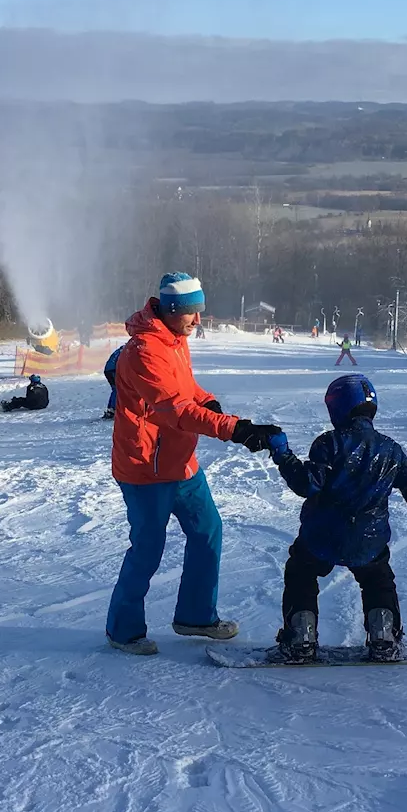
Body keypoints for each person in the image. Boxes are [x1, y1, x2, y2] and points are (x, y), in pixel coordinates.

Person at [107, 272, 284, 655]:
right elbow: (174, 409)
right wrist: (233, 429)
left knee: (207, 532)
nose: (197, 320)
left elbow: (186, 390)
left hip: (181, 461)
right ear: (171, 310)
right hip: (146, 468)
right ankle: (123, 629)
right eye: (190, 312)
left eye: (198, 311)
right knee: (148, 549)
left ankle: (195, 615)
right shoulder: (143, 352)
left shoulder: (174, 340)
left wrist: (208, 400)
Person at [265, 374, 407, 662]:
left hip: (321, 537)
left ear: (336, 409)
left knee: (301, 573)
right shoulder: (390, 449)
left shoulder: (328, 444)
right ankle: (384, 636)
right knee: (377, 580)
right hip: (368, 540)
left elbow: (307, 484)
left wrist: (283, 455)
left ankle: (301, 637)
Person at [102, 345, 123, 420]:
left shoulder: (120, 350)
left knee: (115, 389)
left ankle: (111, 409)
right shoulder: (125, 351)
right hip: (113, 370)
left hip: (108, 370)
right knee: (117, 389)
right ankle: (112, 409)